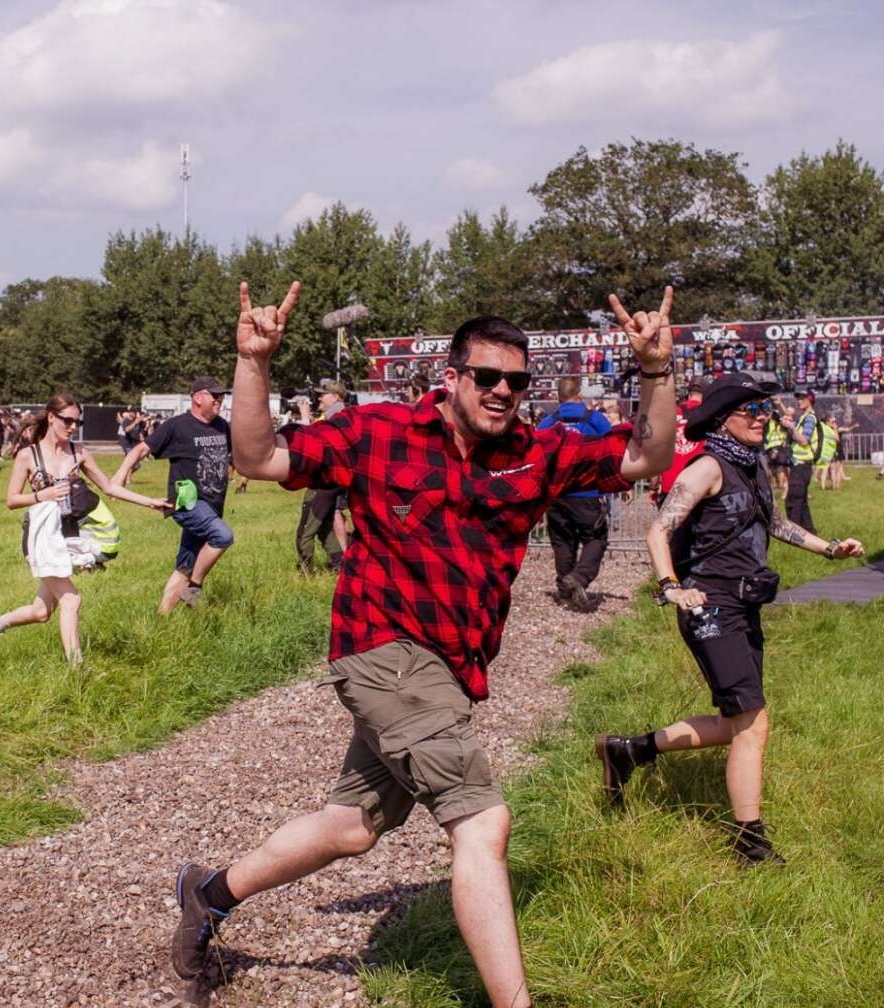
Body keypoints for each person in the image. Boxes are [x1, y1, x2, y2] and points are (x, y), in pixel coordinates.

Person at [168, 281, 679, 1005]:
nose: (503, 392)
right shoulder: (379, 434)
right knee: (483, 819)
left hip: (448, 669)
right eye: (488, 377)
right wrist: (254, 362)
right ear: (453, 376)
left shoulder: (536, 453)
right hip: (380, 647)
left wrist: (656, 371)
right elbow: (258, 458)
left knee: (352, 827)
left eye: (516, 380)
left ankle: (209, 896)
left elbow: (644, 458)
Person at [595, 371, 863, 865]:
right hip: (708, 605)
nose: (763, 418)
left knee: (737, 722)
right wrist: (672, 587)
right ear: (722, 421)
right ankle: (749, 841)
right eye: (751, 411)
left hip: (744, 603)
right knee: (753, 724)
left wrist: (830, 549)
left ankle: (627, 751)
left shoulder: (752, 464)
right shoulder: (707, 468)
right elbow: (659, 531)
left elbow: (774, 522)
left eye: (765, 410)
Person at [0, 394, 170, 664]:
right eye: (67, 421)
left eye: (76, 422)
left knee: (41, 612)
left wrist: (151, 502)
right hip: (41, 536)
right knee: (71, 600)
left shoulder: (78, 452)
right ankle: (76, 673)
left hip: (66, 536)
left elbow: (109, 487)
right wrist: (41, 495)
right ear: (51, 417)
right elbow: (11, 500)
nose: (72, 427)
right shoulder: (27, 456)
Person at [116, 376, 238, 615]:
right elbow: (142, 448)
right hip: (187, 502)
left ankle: (162, 619)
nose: (219, 400)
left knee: (185, 566)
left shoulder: (222, 426)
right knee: (223, 536)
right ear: (197, 397)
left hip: (213, 505)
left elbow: (237, 457)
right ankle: (194, 588)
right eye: (215, 396)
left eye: (221, 396)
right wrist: (120, 475)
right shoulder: (177, 425)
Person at [536, 375, 614, 612]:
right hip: (587, 493)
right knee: (596, 537)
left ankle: (564, 588)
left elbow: (538, 456)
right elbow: (612, 448)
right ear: (579, 393)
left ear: (559, 397)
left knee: (562, 541)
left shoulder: (547, 423)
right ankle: (579, 578)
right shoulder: (596, 420)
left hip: (556, 494)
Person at [293, 381, 351, 575]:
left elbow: (312, 444)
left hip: (323, 482)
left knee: (304, 534)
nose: (318, 398)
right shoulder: (343, 414)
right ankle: (340, 565)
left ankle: (305, 574)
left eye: (322, 395)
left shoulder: (335, 417)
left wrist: (303, 418)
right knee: (325, 528)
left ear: (335, 397)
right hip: (334, 482)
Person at [778, 389, 819, 534]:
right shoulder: (804, 417)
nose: (799, 401)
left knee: (793, 501)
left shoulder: (809, 418)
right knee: (801, 501)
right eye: (798, 398)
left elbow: (803, 440)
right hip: (801, 465)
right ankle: (810, 531)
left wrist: (791, 427)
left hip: (802, 465)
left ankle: (793, 533)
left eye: (802, 398)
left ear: (810, 400)